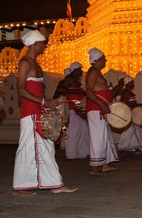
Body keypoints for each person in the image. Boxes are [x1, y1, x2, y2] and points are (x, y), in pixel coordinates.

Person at [12, 30, 78, 196]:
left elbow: (36, 90)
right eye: (43, 43)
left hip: (39, 111)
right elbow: (21, 90)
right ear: (35, 43)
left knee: (46, 148)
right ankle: (21, 187)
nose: (45, 46)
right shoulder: (25, 63)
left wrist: (49, 103)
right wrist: (44, 102)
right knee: (28, 149)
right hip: (30, 113)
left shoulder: (35, 63)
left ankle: (54, 183)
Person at [85, 47, 119, 175]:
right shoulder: (93, 72)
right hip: (95, 109)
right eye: (103, 58)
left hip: (100, 109)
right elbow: (88, 91)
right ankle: (94, 167)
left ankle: (104, 164)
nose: (105, 61)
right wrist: (101, 104)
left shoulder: (96, 72)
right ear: (98, 60)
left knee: (104, 136)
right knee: (97, 137)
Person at [56, 62, 90, 160]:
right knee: (73, 132)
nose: (81, 72)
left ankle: (82, 153)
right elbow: (60, 90)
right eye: (80, 70)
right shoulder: (69, 80)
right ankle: (71, 154)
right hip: (72, 109)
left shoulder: (76, 80)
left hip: (79, 108)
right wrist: (74, 91)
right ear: (75, 70)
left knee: (83, 132)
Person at [112, 76, 142, 154]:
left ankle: (134, 146)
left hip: (130, 112)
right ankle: (121, 146)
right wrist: (137, 105)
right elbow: (127, 103)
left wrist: (138, 105)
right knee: (130, 130)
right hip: (128, 113)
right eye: (132, 82)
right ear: (128, 83)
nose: (133, 83)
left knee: (133, 129)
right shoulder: (127, 92)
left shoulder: (128, 92)